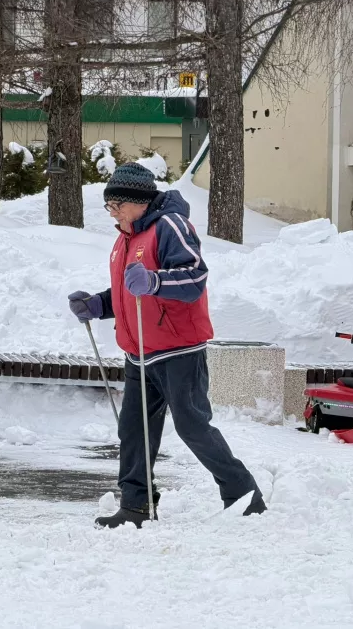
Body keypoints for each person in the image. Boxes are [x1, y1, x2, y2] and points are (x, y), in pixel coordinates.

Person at [68, 162, 266, 528]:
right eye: (109, 206)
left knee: (193, 426)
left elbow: (194, 278)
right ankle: (136, 506)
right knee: (133, 430)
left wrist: (154, 282)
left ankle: (244, 496)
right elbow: (134, 292)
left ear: (140, 202)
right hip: (139, 352)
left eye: (118, 206)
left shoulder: (171, 226)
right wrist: (99, 304)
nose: (113, 213)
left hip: (178, 351)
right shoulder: (125, 238)